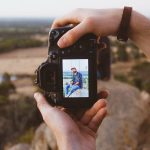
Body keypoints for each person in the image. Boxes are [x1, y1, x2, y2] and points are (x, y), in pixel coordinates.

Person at [34, 8, 150, 150]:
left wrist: (71, 144)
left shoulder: (78, 74)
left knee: (73, 88)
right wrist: (128, 21)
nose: (74, 70)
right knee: (72, 88)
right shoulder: (98, 45)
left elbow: (80, 80)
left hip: (83, 89)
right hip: (87, 83)